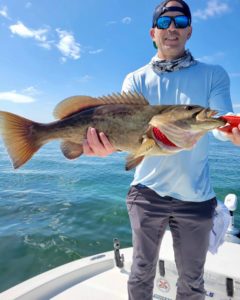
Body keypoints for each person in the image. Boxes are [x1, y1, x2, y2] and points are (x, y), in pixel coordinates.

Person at [83, 1, 240, 299]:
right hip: (146, 194)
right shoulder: (135, 79)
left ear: (189, 31)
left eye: (180, 21)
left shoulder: (213, 74)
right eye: (165, 22)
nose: (172, 28)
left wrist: (232, 131)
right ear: (153, 32)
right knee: (141, 272)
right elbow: (126, 133)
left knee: (193, 281)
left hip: (196, 198)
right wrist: (108, 147)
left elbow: (219, 120)